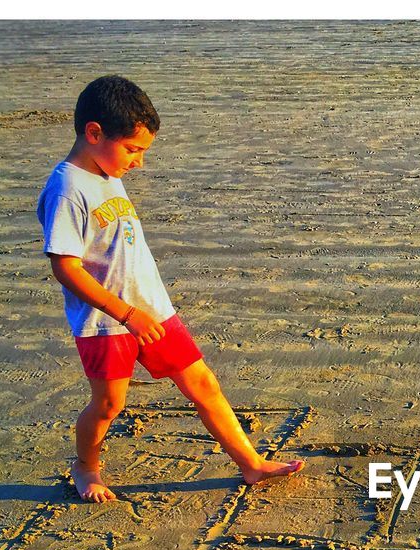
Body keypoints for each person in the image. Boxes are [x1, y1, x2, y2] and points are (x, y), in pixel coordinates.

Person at [36, 74, 303, 503]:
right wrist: (126, 314)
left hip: (153, 310)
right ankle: (86, 467)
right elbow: (66, 268)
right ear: (94, 133)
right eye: (133, 149)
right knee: (108, 406)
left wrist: (143, 309)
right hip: (106, 323)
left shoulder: (106, 172)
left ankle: (250, 463)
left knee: (203, 384)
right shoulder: (68, 189)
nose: (138, 162)